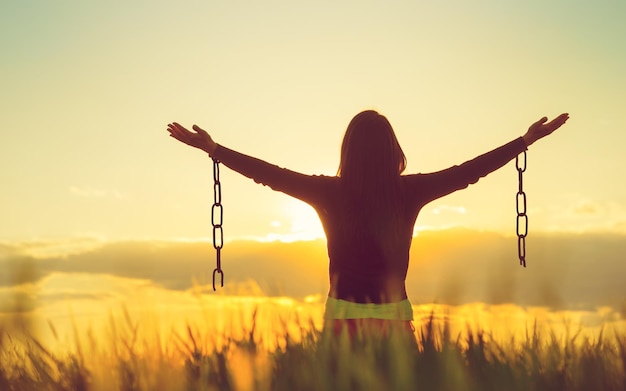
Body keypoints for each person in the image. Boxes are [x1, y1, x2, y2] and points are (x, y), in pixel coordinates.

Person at [167, 110, 569, 339]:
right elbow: (469, 171)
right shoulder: (408, 192)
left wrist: (215, 150)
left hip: (340, 328)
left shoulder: (328, 193)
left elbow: (268, 173)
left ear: (348, 151)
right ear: (393, 151)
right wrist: (524, 141)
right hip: (395, 328)